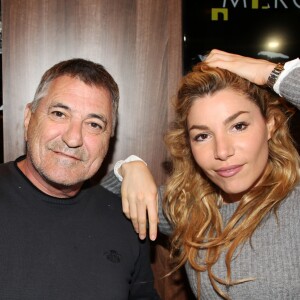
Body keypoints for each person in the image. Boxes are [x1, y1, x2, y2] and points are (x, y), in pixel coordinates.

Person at [102, 50, 300, 299]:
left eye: (238, 126)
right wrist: (129, 168)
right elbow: (94, 201)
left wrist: (270, 73)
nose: (222, 151)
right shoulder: (189, 209)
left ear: (270, 125)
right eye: (203, 136)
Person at [0, 58, 159, 299]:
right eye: (59, 113)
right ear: (28, 118)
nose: (73, 138)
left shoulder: (127, 218)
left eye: (94, 124)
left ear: (109, 139)